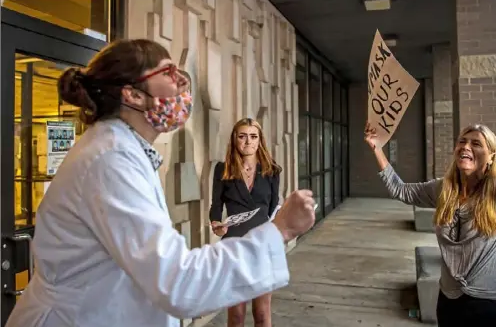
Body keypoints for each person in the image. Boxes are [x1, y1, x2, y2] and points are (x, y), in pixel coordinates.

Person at [6, 39, 316, 327]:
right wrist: (282, 229)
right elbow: (178, 283)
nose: (182, 81)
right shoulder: (110, 161)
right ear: (134, 94)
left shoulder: (123, 151)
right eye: (168, 72)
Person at [364, 77, 496, 327]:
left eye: (476, 143)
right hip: (449, 300)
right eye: (462, 141)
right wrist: (376, 149)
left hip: (492, 304)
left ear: (491, 156)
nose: (466, 146)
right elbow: (401, 190)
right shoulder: (444, 189)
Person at [209, 118, 281, 327]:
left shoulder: (272, 171)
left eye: (253, 136)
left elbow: (272, 209)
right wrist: (216, 223)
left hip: (263, 247)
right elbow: (216, 205)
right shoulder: (223, 169)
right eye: (242, 136)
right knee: (237, 315)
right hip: (233, 246)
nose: (247, 141)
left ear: (260, 141)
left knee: (261, 313)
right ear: (234, 140)